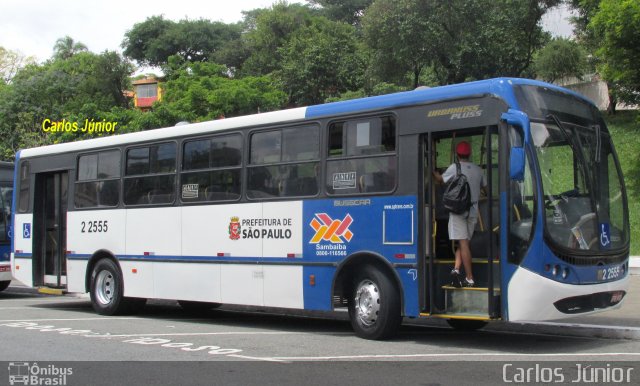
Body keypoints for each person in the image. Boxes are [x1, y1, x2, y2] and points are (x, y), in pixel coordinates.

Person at [433, 140, 486, 287]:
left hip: (457, 211)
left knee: (463, 244)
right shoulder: (478, 170)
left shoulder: (454, 168)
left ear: (457, 155)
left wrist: (433, 171)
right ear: (470, 154)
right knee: (464, 244)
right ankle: (456, 269)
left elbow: (440, 180)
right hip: (473, 211)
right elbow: (485, 188)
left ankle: (469, 277)